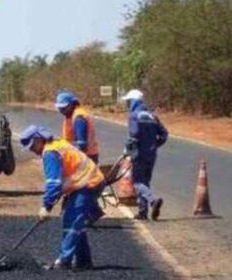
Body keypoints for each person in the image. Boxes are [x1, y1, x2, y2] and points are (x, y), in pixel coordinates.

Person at [20, 125, 105, 270]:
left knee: (71, 220)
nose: (32, 150)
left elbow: (54, 182)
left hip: (87, 184)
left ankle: (64, 261)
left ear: (38, 139)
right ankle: (84, 261)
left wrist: (46, 206)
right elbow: (63, 178)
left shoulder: (50, 152)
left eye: (32, 146)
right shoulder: (57, 144)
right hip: (88, 182)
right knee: (75, 221)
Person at [121, 89, 168, 220]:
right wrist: (154, 145)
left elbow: (134, 136)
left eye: (128, 102)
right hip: (151, 154)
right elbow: (164, 134)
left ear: (133, 101)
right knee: (145, 182)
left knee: (137, 182)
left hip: (139, 153)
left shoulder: (134, 116)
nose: (128, 104)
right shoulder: (152, 116)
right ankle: (143, 212)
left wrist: (128, 151)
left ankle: (153, 201)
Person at [54, 90, 100, 163]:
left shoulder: (79, 118)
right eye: (60, 108)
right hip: (83, 154)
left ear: (72, 104)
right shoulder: (71, 115)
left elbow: (82, 144)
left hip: (85, 156)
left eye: (64, 108)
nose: (61, 110)